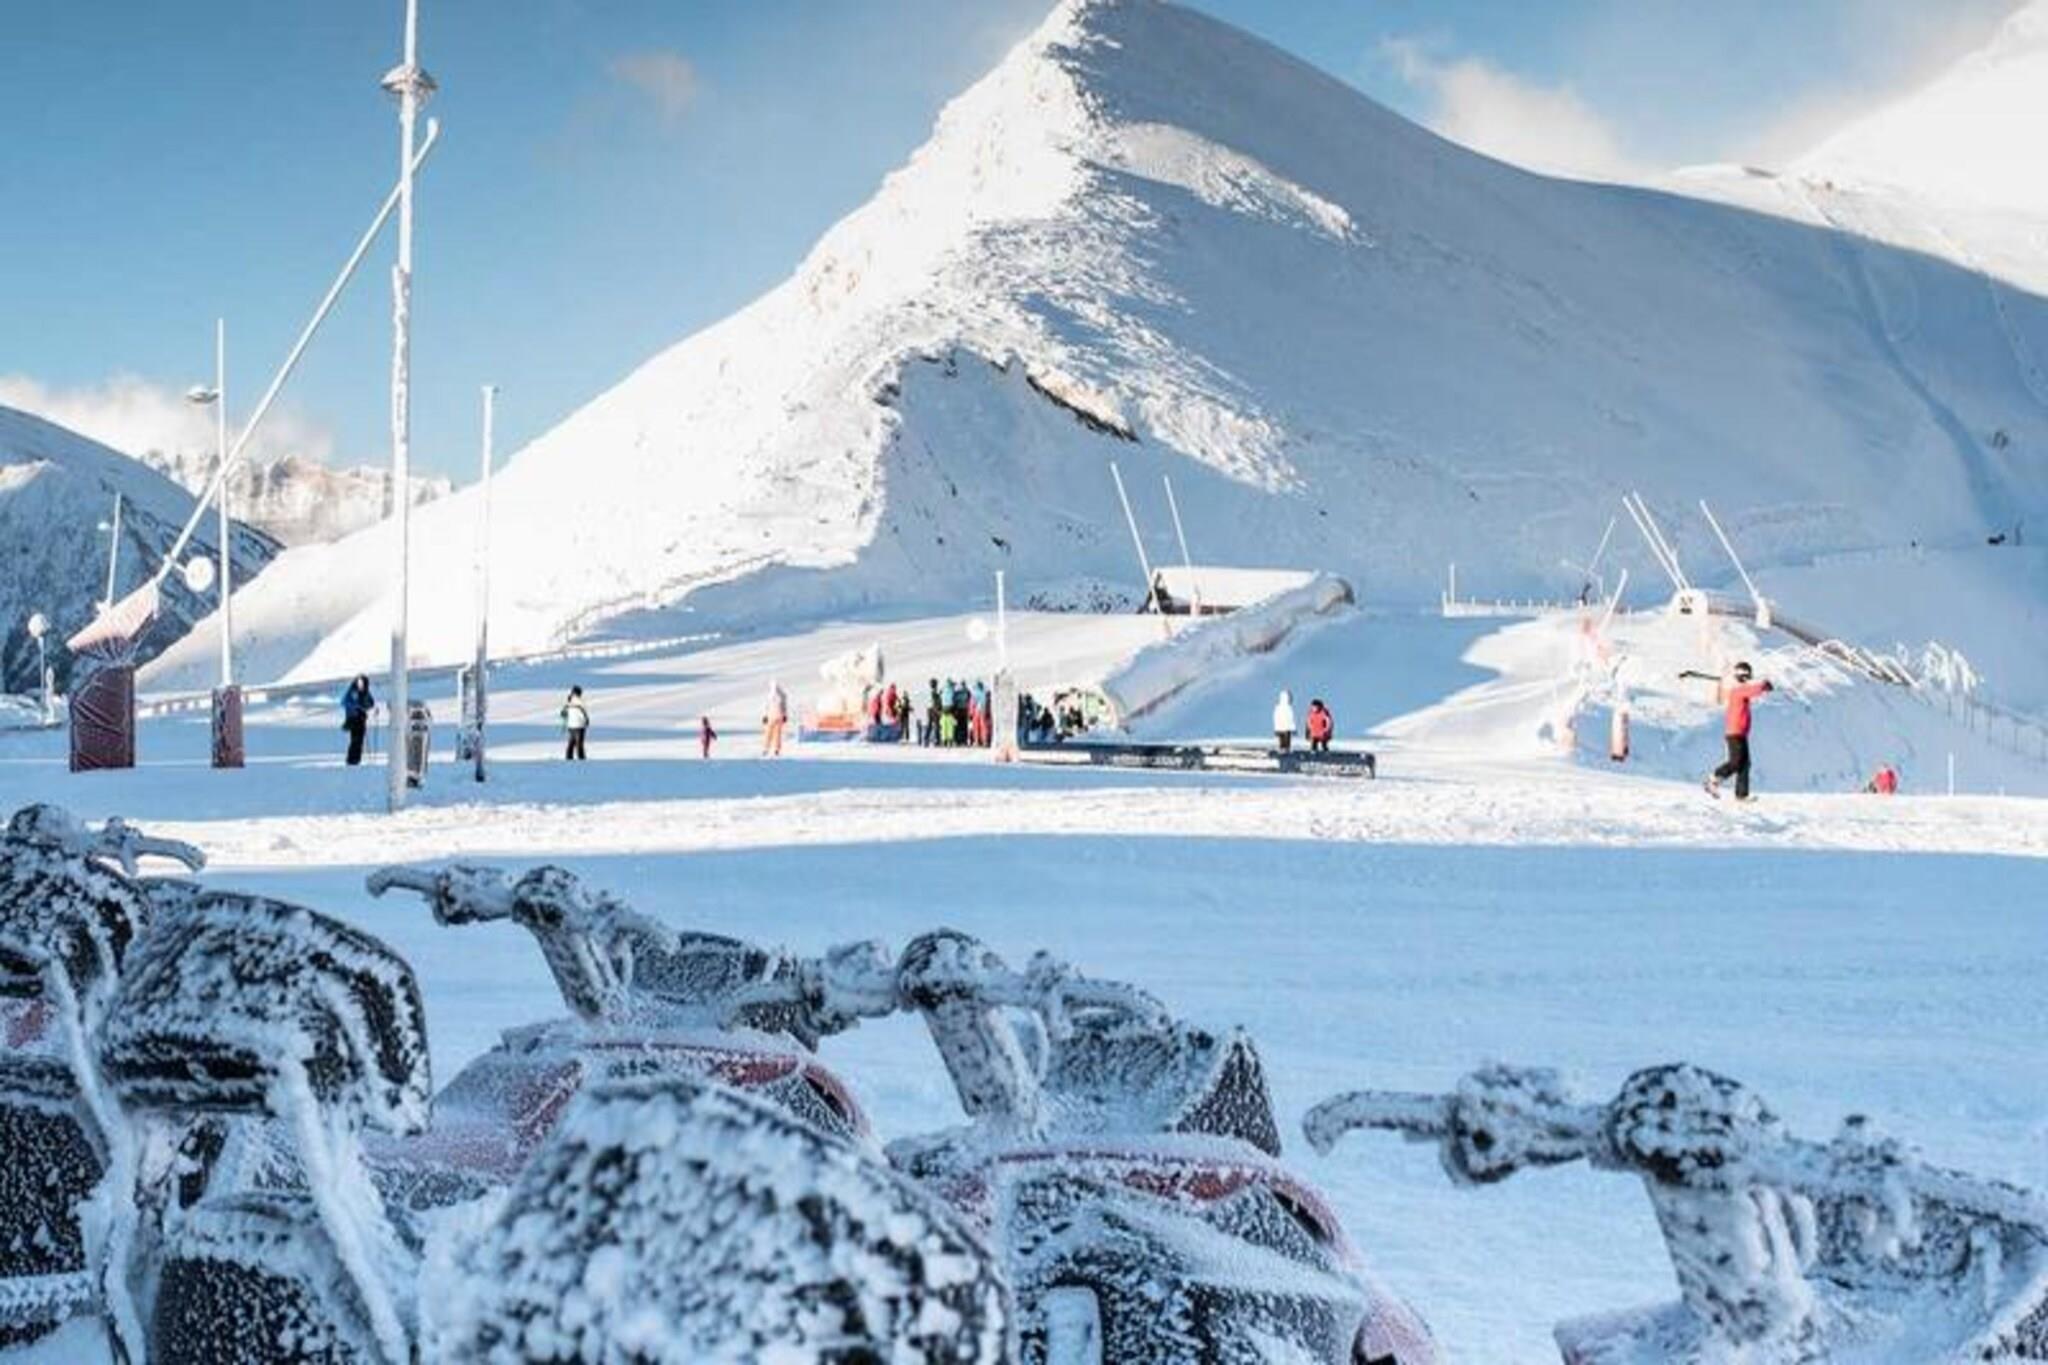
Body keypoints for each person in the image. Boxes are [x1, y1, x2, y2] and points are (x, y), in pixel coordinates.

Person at [1706, 661, 1773, 801]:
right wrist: (1764, 685)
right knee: (1736, 762)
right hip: (1735, 732)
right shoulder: (1738, 690)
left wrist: (1762, 686)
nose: (1748, 678)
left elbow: (1750, 690)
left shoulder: (1738, 689)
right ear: (1742, 675)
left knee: (1744, 764)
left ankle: (1741, 795)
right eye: (1747, 675)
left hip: (1741, 733)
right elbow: (1753, 690)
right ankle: (1713, 779)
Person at [340, 675, 375, 766]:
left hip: (361, 719)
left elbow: (371, 703)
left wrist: (365, 706)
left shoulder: (365, 692)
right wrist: (358, 707)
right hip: (353, 719)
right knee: (355, 739)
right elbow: (345, 702)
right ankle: (352, 759)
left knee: (359, 739)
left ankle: (356, 759)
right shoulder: (353, 691)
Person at [560, 686, 590, 761]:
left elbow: (563, 714)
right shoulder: (581, 702)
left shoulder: (568, 702)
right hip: (579, 726)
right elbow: (584, 714)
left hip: (571, 726)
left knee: (571, 744)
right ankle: (581, 760)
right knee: (579, 745)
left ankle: (568, 758)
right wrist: (586, 722)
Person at [762, 680, 789, 757]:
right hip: (778, 716)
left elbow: (766, 707)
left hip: (771, 716)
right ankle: (776, 749)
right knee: (777, 733)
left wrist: (765, 716)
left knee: (769, 733)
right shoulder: (782, 696)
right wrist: (785, 715)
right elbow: (784, 707)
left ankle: (766, 748)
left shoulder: (769, 696)